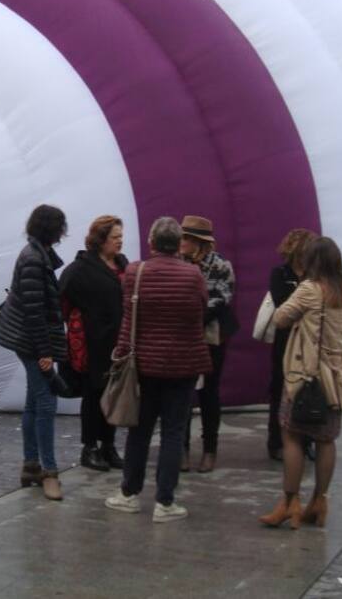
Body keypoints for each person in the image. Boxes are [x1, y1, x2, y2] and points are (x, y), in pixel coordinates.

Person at [105, 217, 211, 523]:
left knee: (138, 431)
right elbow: (201, 310)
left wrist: (122, 354)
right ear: (179, 244)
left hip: (144, 365)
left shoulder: (134, 273)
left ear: (151, 243)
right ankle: (165, 502)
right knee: (173, 433)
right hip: (182, 365)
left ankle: (129, 494)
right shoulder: (194, 275)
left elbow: (128, 318)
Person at [260, 236, 342, 529]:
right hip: (336, 376)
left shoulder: (309, 289)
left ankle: (289, 502)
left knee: (292, 436)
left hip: (306, 375)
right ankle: (320, 501)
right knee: (326, 439)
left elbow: (280, 318)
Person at [0, 204, 69, 501]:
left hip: (29, 341)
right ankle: (49, 472)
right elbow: (35, 312)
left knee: (34, 403)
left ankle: (31, 465)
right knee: (46, 403)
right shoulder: (34, 260)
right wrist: (45, 353)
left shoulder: (35, 255)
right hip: (34, 342)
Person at [58, 215, 128, 472]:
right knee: (93, 395)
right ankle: (90, 448)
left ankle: (108, 445)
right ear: (101, 240)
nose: (120, 242)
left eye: (121, 237)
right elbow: (61, 302)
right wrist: (76, 325)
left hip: (117, 344)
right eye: (115, 237)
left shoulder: (121, 264)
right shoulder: (81, 268)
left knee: (112, 395)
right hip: (91, 344)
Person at [178, 214, 236, 473]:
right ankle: (182, 449)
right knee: (182, 394)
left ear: (197, 242)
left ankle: (209, 449)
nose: (181, 242)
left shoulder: (221, 265)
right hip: (182, 337)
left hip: (211, 336)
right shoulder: (177, 262)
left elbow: (222, 297)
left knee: (209, 393)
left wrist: (194, 317)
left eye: (186, 238)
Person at [266, 228, 318, 461]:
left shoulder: (314, 275)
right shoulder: (280, 273)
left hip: (308, 341)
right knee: (280, 389)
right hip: (285, 341)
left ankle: (306, 439)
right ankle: (276, 441)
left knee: (307, 391)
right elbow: (281, 305)